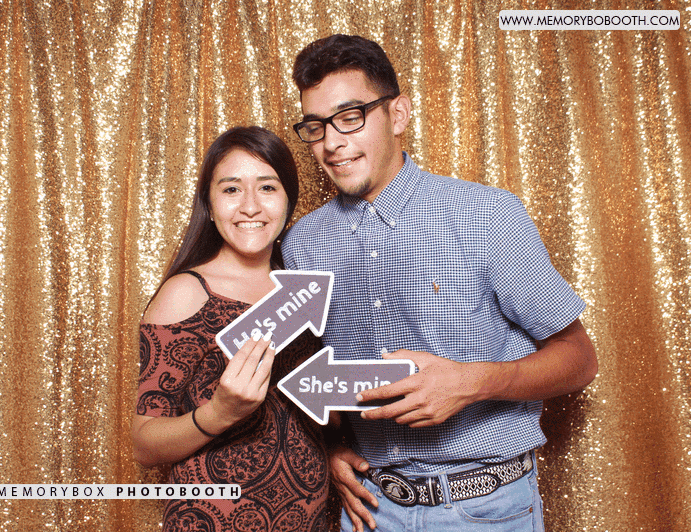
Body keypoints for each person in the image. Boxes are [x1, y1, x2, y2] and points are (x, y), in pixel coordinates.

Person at [282, 35, 598, 532]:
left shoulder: (487, 217)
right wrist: (331, 446)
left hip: (486, 509)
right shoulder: (302, 244)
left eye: (350, 117)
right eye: (316, 126)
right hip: (370, 509)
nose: (332, 142)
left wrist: (472, 382)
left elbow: (579, 359)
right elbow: (313, 377)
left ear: (398, 114)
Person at [132, 126, 329, 531]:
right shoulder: (187, 293)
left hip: (309, 519)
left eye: (268, 188)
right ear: (209, 202)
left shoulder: (306, 288)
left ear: (289, 199)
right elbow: (145, 445)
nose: (251, 207)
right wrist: (219, 413)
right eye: (232, 189)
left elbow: (313, 414)